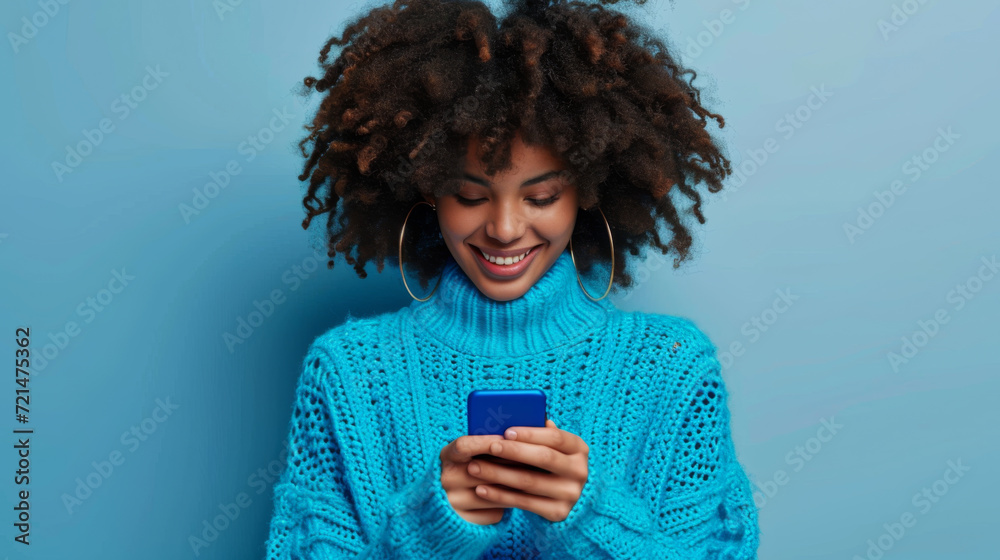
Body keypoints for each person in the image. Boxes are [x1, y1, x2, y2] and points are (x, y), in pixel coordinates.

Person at [265, 0, 760, 558]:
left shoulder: (672, 368)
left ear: (589, 189)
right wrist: (430, 530)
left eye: (542, 196)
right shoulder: (348, 373)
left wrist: (592, 519)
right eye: (470, 195)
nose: (504, 229)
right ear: (426, 189)